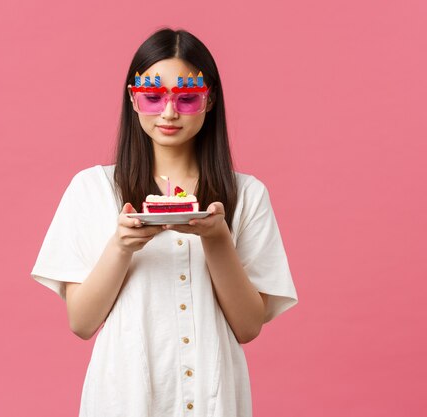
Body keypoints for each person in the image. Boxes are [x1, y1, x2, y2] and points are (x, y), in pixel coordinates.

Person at [31, 27, 298, 417]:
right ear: (133, 100)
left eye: (187, 98)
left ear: (209, 101)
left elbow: (247, 327)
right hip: (125, 398)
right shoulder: (92, 189)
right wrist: (121, 245)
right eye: (153, 97)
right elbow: (82, 322)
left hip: (214, 397)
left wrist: (217, 239)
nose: (169, 113)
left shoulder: (247, 195)